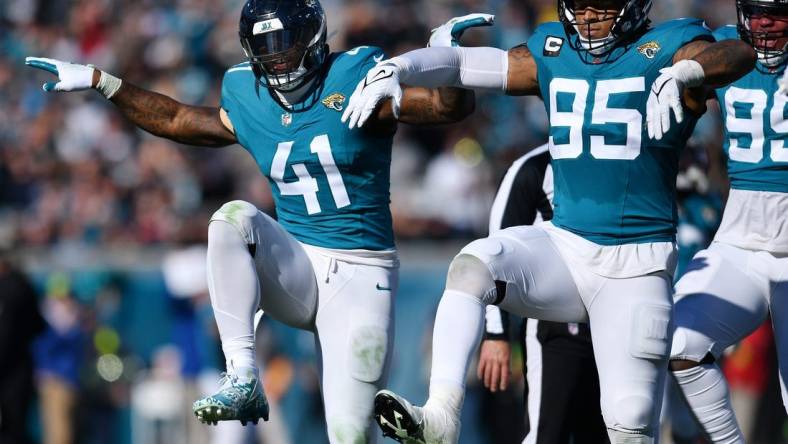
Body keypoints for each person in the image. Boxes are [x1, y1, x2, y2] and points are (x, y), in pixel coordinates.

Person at [25, 2, 477, 442]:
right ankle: (242, 375)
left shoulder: (355, 75)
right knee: (231, 219)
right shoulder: (248, 93)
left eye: (285, 42)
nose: (276, 56)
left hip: (362, 272)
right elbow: (178, 119)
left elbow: (445, 108)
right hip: (295, 264)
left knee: (349, 434)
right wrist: (104, 82)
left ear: (313, 38)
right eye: (265, 45)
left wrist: (449, 62)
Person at [341, 0, 757, 442]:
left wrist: (687, 72)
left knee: (630, 422)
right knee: (471, 267)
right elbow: (468, 62)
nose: (587, 18)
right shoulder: (557, 51)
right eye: (578, 6)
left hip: (637, 264)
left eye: (599, 6)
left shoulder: (668, 44)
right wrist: (403, 67)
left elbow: (741, 55)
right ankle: (442, 415)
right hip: (566, 246)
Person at [668, 1, 788, 442]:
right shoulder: (722, 47)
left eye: (778, 12)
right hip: (740, 243)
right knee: (681, 341)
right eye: (755, 11)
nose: (764, 23)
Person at [479, 144, 608, 444]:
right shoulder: (534, 168)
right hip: (555, 326)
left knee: (617, 431)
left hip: (612, 321)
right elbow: (495, 253)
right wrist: (496, 334)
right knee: (547, 434)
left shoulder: (624, 161)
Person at [0, 255, 45, 444]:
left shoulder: (13, 288)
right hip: (19, 368)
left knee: (12, 428)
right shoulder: (22, 285)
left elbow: (8, 336)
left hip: (12, 371)